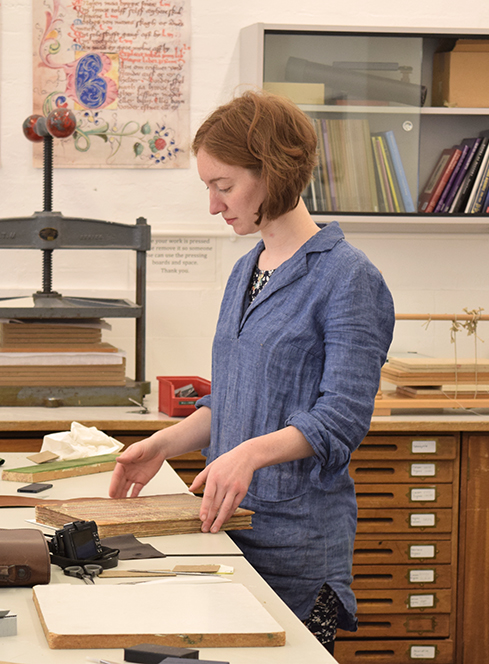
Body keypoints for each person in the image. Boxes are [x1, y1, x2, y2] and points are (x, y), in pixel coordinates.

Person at [109, 90, 395, 652]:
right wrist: (166, 442)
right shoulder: (247, 268)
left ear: (274, 171)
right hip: (227, 532)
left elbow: (341, 420)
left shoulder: (348, 278)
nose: (214, 205)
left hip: (297, 548)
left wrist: (250, 453)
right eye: (208, 188)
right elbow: (236, 399)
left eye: (224, 186)